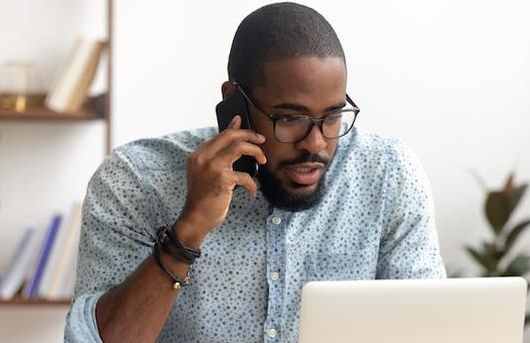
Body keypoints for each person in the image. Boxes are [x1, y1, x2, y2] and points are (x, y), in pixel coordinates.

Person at [64, 2, 445, 342]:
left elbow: (432, 329)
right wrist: (189, 228)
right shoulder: (135, 179)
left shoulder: (387, 173)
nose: (316, 144)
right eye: (291, 118)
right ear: (234, 101)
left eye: (331, 117)